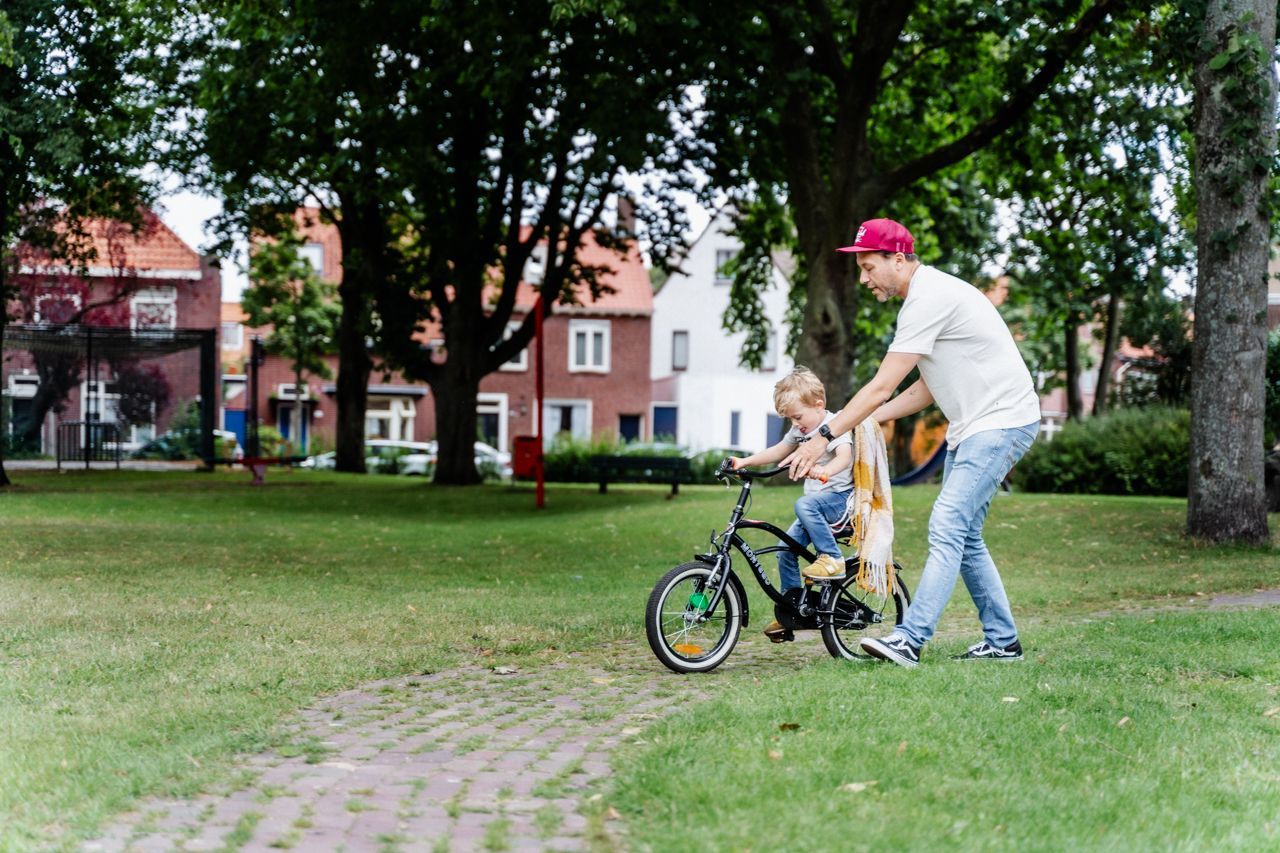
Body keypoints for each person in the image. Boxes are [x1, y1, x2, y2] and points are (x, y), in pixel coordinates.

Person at [788, 218, 1042, 668]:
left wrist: (827, 432)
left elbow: (882, 385)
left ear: (898, 259)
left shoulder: (928, 298)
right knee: (965, 536)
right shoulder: (926, 299)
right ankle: (1004, 643)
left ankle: (910, 638)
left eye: (869, 268)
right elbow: (923, 388)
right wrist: (863, 421)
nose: (864, 279)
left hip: (1001, 423)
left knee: (947, 525)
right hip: (973, 427)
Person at [730, 367, 855, 642]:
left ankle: (833, 558)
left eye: (798, 416)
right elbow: (778, 450)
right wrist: (744, 462)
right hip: (816, 505)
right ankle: (793, 612)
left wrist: (826, 472)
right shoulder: (800, 431)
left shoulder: (834, 425)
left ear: (818, 405)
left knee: (804, 504)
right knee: (785, 550)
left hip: (840, 501)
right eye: (790, 419)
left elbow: (845, 456)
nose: (795, 424)